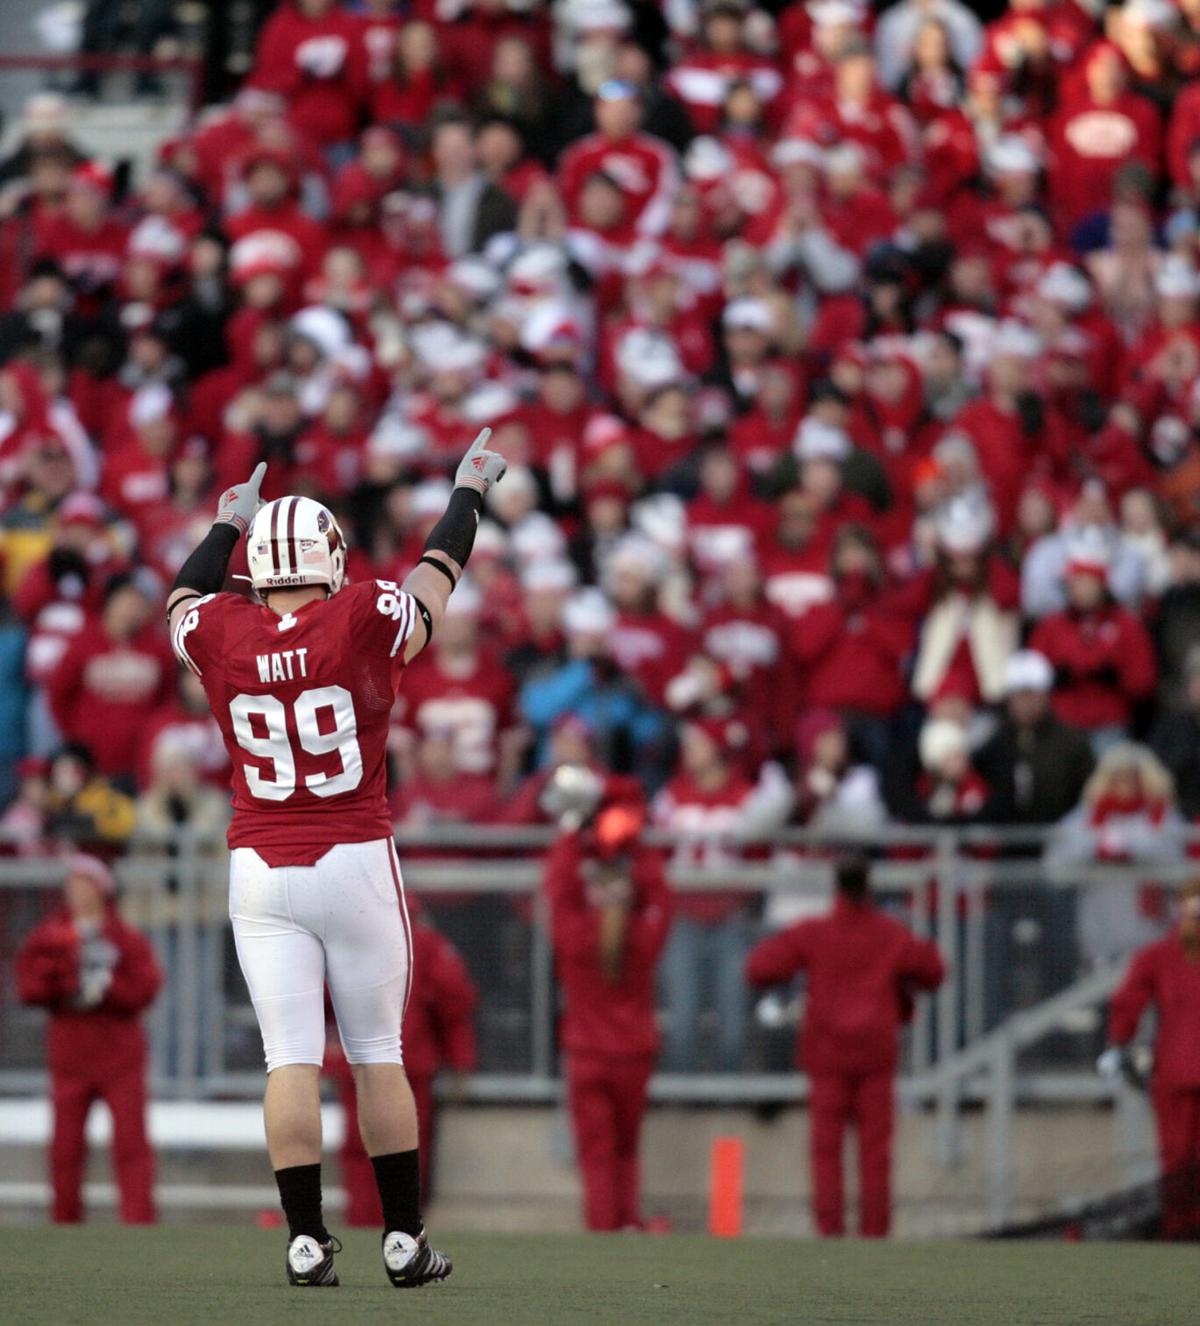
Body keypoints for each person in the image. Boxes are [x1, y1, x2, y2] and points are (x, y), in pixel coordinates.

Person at [164, 428, 507, 1286]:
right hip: (353, 854)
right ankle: (401, 1239)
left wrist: (223, 524)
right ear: (329, 558)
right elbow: (433, 586)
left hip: (261, 867)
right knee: (376, 1052)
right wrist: (467, 494)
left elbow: (180, 599)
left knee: (290, 1060)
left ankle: (306, 1242)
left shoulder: (221, 628)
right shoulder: (359, 614)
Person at [745, 855, 945, 1238]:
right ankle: (874, 1234)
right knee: (875, 1155)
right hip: (874, 1054)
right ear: (869, 887)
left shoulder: (815, 932)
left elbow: (759, 966)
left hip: (828, 1054)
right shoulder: (890, 933)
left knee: (825, 1152)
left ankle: (830, 1232)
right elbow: (934, 971)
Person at [542, 779, 672, 1231]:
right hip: (634, 1051)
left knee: (596, 1155)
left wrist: (572, 829)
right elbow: (661, 898)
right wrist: (635, 848)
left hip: (587, 1053)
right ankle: (628, 1221)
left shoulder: (577, 937)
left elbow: (558, 889)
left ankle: (602, 1229)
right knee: (626, 1150)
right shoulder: (641, 938)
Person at [14, 854, 162, 1224]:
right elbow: (29, 985)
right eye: (74, 885)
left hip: (119, 1055)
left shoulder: (124, 938)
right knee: (65, 1148)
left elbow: (146, 987)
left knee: (131, 1145)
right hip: (71, 1054)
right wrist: (62, 979)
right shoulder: (50, 935)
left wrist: (109, 988)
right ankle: (65, 1222)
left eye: (87, 885)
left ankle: (138, 1225)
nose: (79, 893)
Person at [328, 903, 477, 1223]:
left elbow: (319, 997)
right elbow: (455, 1001)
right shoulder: (424, 940)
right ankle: (401, 1235)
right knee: (404, 1152)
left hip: (365, 1065)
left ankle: (366, 1230)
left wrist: (320, 1060)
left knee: (362, 1152)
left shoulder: (349, 937)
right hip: (406, 1065)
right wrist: (460, 1062)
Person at [1105, 880, 1200, 1240]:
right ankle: (1180, 1233)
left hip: (1175, 1069)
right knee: (1177, 1160)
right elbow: (1127, 1002)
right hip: (1175, 1073)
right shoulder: (1159, 956)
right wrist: (1119, 1043)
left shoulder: (1160, 955)